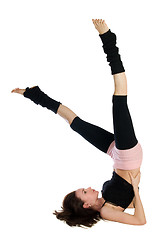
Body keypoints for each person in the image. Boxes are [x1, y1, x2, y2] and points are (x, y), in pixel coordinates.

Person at [11, 19, 146, 227]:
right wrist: (136, 187)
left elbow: (131, 205)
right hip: (128, 156)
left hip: (116, 155)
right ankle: (108, 40)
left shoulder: (105, 203)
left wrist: (134, 190)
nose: (88, 188)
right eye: (84, 192)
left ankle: (34, 94)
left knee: (75, 123)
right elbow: (140, 220)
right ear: (86, 205)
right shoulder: (108, 212)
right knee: (119, 96)